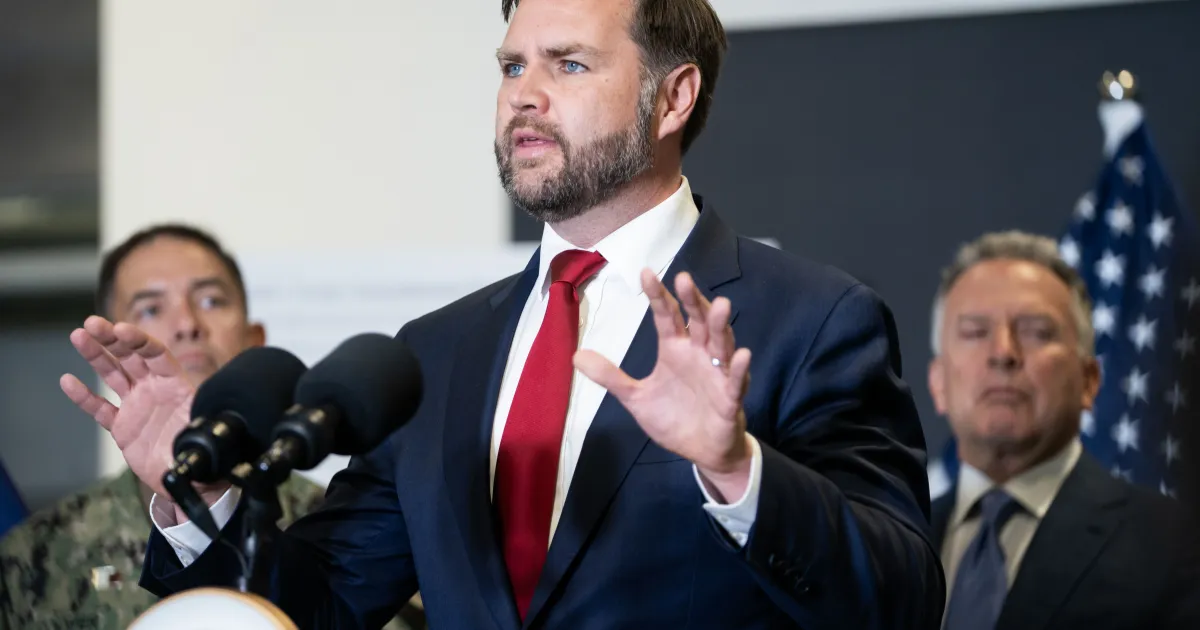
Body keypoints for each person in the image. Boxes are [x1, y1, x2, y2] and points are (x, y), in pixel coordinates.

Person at [64, 1, 943, 627]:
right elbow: (316, 607)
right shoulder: (434, 355)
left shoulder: (812, 320)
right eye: (512, 66)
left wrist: (737, 470)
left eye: (568, 64)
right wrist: (203, 494)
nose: (524, 94)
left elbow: (901, 602)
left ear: (673, 98)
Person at [1, 225, 426, 630]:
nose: (187, 324)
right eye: (151, 308)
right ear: (109, 352)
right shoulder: (36, 553)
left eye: (210, 301)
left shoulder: (340, 524)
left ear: (256, 342)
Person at [926, 231, 1200, 630]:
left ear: (1089, 380)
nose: (1003, 353)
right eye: (975, 332)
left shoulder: (1173, 544)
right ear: (938, 383)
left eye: (1036, 331)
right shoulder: (890, 541)